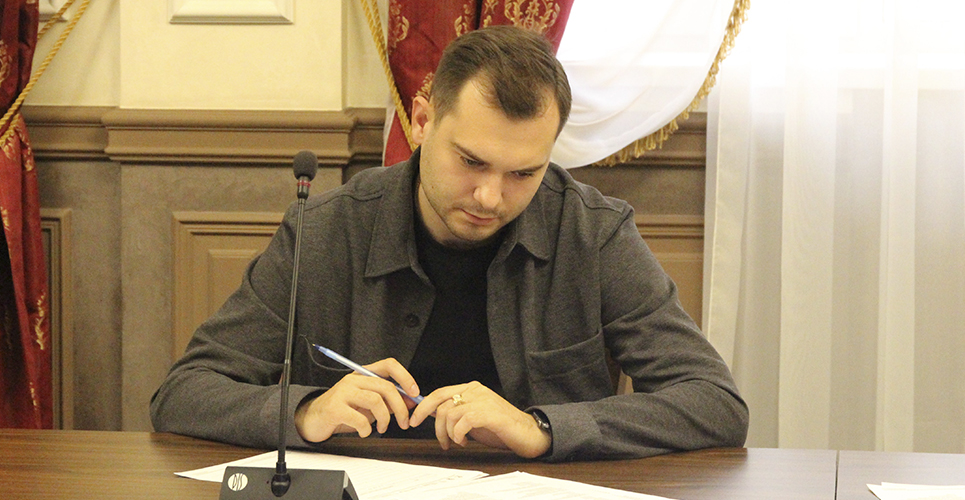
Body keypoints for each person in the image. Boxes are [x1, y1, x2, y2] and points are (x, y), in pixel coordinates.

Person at [150, 25, 748, 461]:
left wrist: (542, 428)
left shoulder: (593, 233)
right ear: (422, 120)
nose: (490, 196)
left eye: (523, 173)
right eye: (471, 161)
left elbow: (714, 402)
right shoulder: (327, 229)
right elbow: (185, 392)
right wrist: (306, 411)